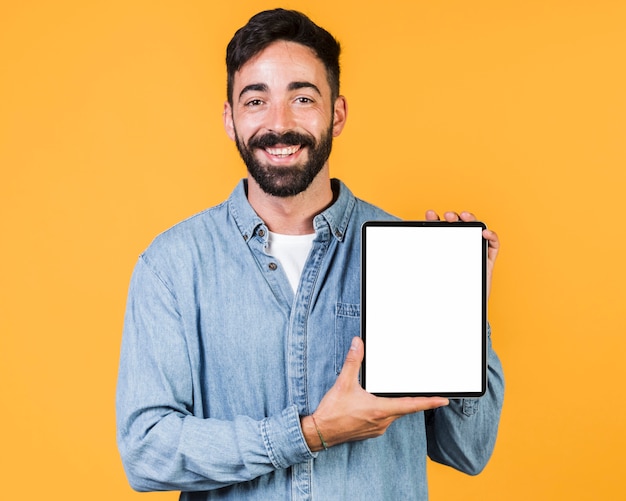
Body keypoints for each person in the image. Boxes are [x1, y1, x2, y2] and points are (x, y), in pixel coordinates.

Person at [116, 8, 504, 500]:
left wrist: (466, 319)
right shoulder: (172, 266)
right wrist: (308, 433)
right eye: (256, 100)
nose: (279, 124)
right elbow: (147, 452)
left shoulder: (409, 259)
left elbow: (468, 453)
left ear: (337, 114)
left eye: (302, 97)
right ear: (230, 119)